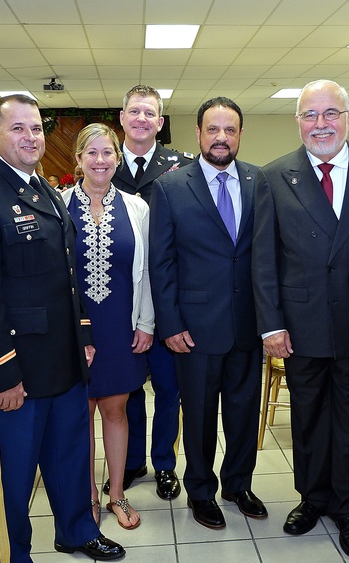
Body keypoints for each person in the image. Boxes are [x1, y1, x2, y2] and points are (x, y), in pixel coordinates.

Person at [0, 95, 125, 562]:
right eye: (18, 129)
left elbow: (68, 277)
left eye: (36, 129)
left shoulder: (45, 189)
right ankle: (12, 555)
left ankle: (76, 531)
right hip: (16, 368)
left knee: (69, 459)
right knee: (16, 476)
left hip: (62, 360)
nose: (31, 138)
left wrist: (83, 335)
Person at [252, 79, 349, 557]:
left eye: (330, 114)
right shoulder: (273, 176)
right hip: (301, 325)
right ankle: (311, 499)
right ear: (298, 123)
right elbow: (264, 258)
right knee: (309, 418)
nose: (321, 124)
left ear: (348, 118)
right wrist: (271, 324)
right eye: (311, 115)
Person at [149, 97, 265, 530]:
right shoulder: (170, 187)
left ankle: (238, 483)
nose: (221, 138)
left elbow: (264, 255)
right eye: (213, 129)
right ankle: (200, 489)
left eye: (230, 130)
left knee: (243, 412)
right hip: (194, 329)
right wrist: (170, 323)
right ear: (198, 134)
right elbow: (160, 263)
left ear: (239, 135)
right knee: (198, 417)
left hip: (248, 324)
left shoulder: (259, 181)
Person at [60, 123, 153, 531]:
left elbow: (147, 270)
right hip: (75, 328)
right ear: (78, 159)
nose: (100, 161)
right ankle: (88, 498)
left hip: (121, 323)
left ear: (118, 157)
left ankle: (116, 494)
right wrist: (73, 332)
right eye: (91, 153)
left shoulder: (137, 208)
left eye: (108, 153)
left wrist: (146, 322)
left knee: (116, 410)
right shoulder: (58, 204)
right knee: (81, 413)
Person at [106, 84, 192, 501]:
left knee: (169, 387)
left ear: (160, 122)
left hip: (167, 299)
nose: (141, 119)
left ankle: (163, 463)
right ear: (121, 117)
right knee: (126, 387)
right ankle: (131, 460)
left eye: (150, 114)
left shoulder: (180, 167)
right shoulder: (101, 163)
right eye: (133, 111)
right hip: (120, 302)